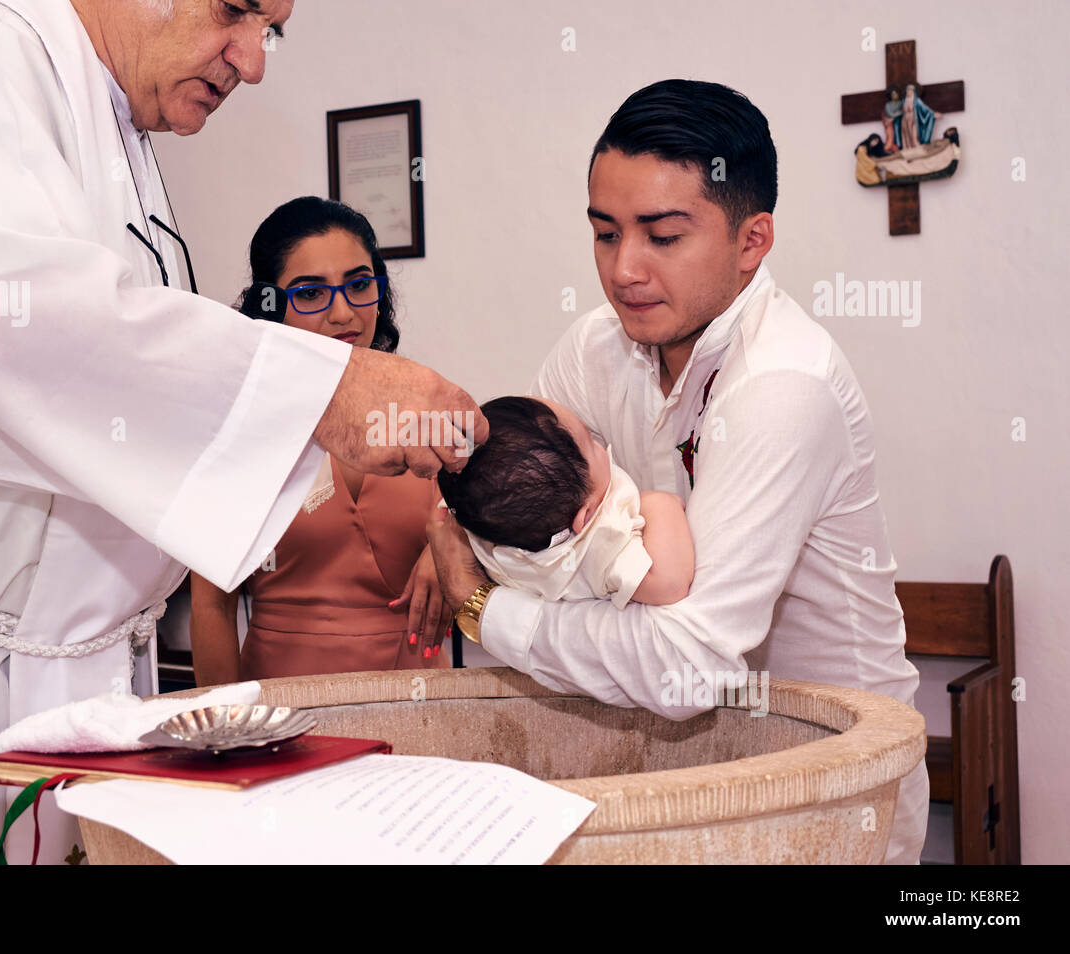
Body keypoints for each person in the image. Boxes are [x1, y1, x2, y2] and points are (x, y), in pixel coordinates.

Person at [0, 0, 485, 865]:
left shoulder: (119, 133)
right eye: (236, 10)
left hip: (56, 676)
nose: (253, 63)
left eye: (274, 30)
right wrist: (325, 393)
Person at [426, 79, 929, 864]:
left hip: (831, 771)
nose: (624, 269)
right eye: (604, 233)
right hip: (677, 762)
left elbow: (686, 666)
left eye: (661, 236)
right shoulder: (596, 348)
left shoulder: (783, 385)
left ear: (751, 241)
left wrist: (478, 608)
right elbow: (519, 514)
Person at [191, 197, 452, 683]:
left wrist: (458, 546)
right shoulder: (240, 431)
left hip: (422, 707)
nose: (342, 313)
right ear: (269, 304)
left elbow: (505, 533)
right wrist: (226, 738)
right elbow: (211, 607)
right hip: (283, 714)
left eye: (358, 285)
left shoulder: (425, 407)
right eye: (310, 293)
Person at [436, 395, 694, 607]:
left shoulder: (487, 524)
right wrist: (659, 504)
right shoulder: (599, 549)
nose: (599, 443)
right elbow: (669, 584)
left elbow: (462, 494)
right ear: (586, 515)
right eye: (591, 444)